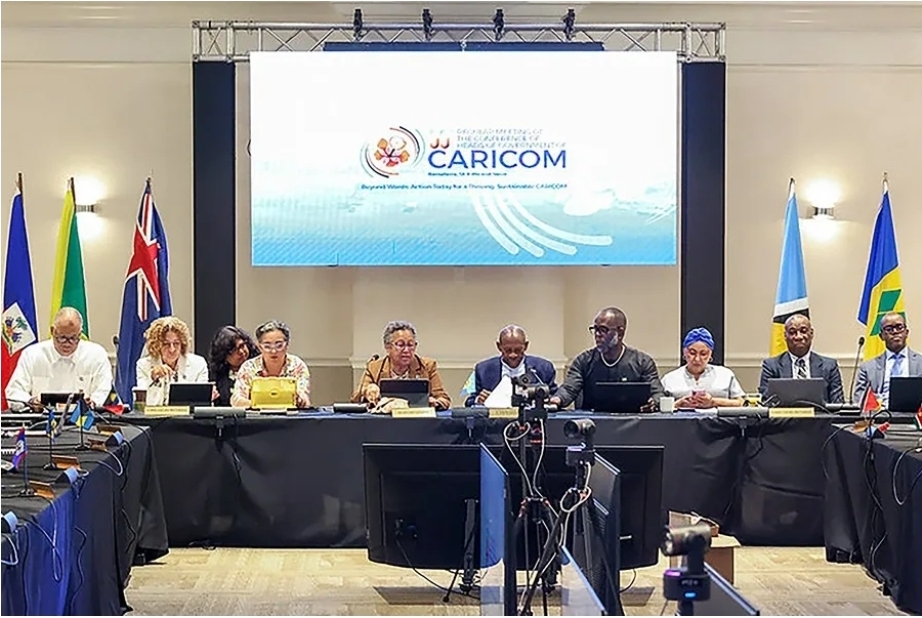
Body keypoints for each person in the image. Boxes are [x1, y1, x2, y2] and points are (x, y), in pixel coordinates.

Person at [550, 307, 664, 410]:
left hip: (633, 422)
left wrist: (654, 402)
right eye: (595, 329)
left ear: (620, 333)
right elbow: (569, 388)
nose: (597, 334)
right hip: (592, 422)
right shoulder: (584, 361)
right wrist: (557, 400)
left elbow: (657, 393)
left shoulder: (642, 362)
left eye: (603, 330)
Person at [5, 307, 112, 410]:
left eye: (73, 338)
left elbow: (103, 390)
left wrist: (93, 403)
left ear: (80, 334)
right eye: (62, 338)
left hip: (84, 419)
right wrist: (31, 401)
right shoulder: (32, 354)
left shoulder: (96, 355)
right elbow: (14, 391)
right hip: (41, 419)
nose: (67, 343)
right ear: (52, 331)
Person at [351, 320, 451, 410]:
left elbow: (444, 399)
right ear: (388, 347)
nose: (406, 350)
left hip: (417, 420)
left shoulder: (427, 366)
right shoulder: (374, 367)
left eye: (410, 345)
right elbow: (355, 399)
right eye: (401, 345)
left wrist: (434, 403)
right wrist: (367, 391)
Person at [758, 313, 844, 404]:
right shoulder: (771, 366)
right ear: (785, 336)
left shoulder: (829, 366)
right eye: (792, 332)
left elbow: (837, 404)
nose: (798, 336)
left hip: (821, 413)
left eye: (803, 331)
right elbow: (766, 402)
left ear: (811, 333)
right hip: (785, 413)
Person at [463, 324, 557, 406]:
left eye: (518, 350)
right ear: (499, 346)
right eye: (507, 350)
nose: (513, 355)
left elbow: (554, 397)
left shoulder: (544, 368)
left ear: (526, 346)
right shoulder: (482, 369)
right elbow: (468, 401)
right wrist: (478, 400)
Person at [231, 320, 311, 408]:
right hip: (257, 415)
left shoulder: (297, 366)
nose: (273, 351)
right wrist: (262, 405)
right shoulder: (249, 367)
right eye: (267, 346)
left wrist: (301, 399)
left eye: (279, 346)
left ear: (287, 344)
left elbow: (303, 396)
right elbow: (237, 400)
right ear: (259, 347)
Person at [661, 327, 744, 408]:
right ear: (684, 353)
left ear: (710, 354)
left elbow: (741, 402)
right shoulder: (669, 379)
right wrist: (677, 404)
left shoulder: (725, 375)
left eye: (703, 354)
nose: (697, 359)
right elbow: (658, 407)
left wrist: (713, 402)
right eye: (692, 353)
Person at [135, 316, 209, 406]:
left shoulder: (198, 364)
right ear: (156, 345)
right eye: (166, 344)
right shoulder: (144, 365)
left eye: (176, 343)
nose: (172, 349)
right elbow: (144, 404)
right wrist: (153, 378)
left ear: (182, 344)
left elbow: (200, 402)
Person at [853, 312, 922, 407]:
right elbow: (860, 401)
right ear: (881, 336)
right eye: (889, 329)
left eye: (899, 327)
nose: (895, 332)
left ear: (906, 332)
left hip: (913, 413)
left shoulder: (920, 363)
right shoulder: (867, 368)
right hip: (879, 414)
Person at [208, 326, 259, 407]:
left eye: (242, 345)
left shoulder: (260, 367)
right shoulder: (216, 377)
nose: (241, 352)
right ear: (223, 356)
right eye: (234, 350)